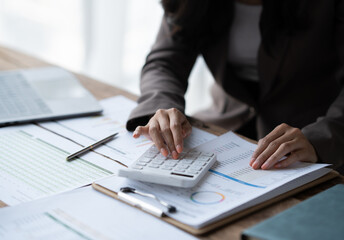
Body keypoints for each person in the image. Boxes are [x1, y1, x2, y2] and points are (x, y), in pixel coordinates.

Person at [126, 0, 344, 173]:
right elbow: (165, 62)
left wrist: (321, 138)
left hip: (315, 130)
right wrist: (162, 107)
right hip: (227, 126)